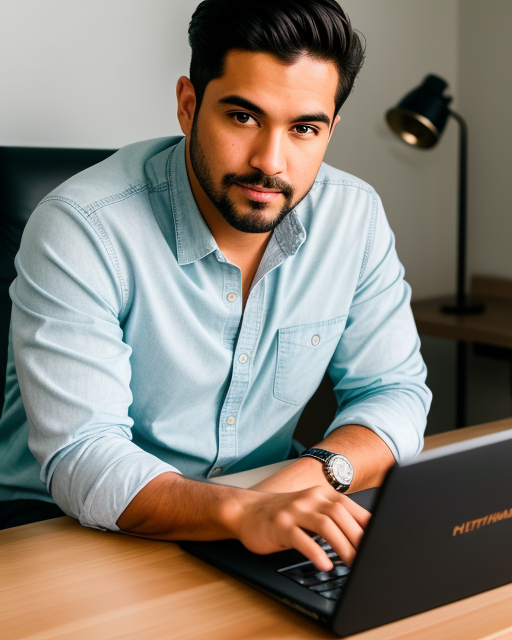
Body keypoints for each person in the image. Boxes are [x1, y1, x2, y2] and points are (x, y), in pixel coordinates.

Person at [0, 0, 431, 571]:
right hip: (62, 531)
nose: (270, 162)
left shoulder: (355, 218)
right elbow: (85, 456)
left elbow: (396, 391)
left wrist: (314, 475)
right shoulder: (83, 226)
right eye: (243, 117)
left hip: (259, 522)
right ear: (188, 105)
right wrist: (245, 512)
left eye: (305, 128)